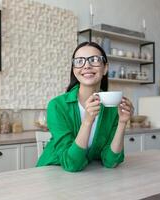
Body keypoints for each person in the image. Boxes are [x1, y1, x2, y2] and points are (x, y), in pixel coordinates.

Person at [36, 41, 134, 172]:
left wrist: (122, 122)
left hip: (87, 177)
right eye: (79, 61)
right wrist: (87, 121)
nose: (86, 65)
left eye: (94, 60)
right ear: (74, 69)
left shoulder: (112, 107)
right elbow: (71, 164)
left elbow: (111, 161)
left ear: (105, 68)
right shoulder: (57, 106)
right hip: (51, 172)